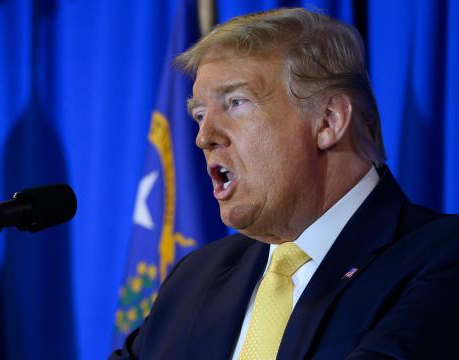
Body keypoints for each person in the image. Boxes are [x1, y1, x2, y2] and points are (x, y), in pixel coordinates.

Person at [110, 7, 459, 360]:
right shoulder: (192, 280)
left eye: (235, 102)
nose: (204, 137)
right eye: (200, 115)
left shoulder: (442, 257)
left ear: (328, 121)